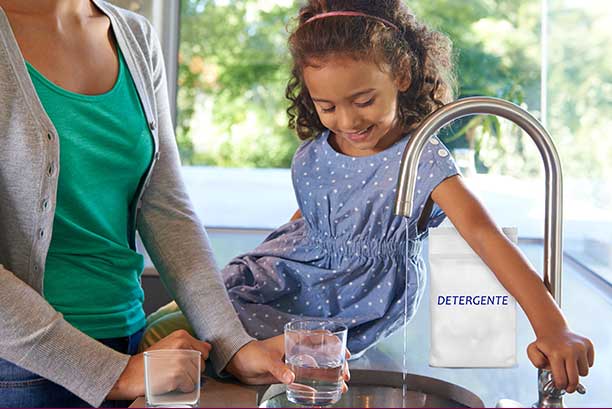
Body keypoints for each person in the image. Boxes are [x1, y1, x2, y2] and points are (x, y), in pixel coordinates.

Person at [142, 0, 594, 394]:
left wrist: (551, 326)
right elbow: (313, 221)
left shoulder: (420, 159)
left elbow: (485, 236)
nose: (346, 120)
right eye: (327, 107)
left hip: (350, 298)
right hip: (288, 277)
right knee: (171, 326)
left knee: (193, 344)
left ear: (401, 74)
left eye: (363, 100)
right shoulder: (315, 154)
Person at [0, 0, 298, 407]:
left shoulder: (135, 37)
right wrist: (110, 373)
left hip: (135, 350)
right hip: (24, 373)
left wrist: (233, 344)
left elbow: (167, 208)